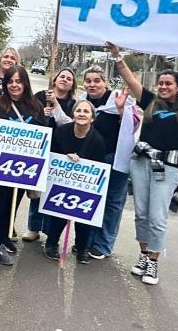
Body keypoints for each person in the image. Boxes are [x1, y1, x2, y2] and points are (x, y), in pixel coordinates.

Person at [110, 43, 178, 285]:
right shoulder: (150, 101)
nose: (163, 87)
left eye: (169, 84)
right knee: (141, 215)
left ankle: (153, 263)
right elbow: (130, 79)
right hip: (141, 162)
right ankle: (144, 255)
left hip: (167, 169)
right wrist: (116, 55)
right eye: (161, 83)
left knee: (157, 217)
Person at [0, 65, 46, 270]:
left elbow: (42, 133)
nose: (14, 85)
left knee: (10, 206)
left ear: (25, 83)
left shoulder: (36, 107)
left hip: (23, 168)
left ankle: (0, 243)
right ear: (5, 83)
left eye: (18, 81)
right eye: (10, 81)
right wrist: (1, 136)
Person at [43, 100, 105, 264]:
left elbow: (98, 167)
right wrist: (66, 157)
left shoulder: (98, 140)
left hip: (85, 183)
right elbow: (52, 154)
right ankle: (51, 243)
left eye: (86, 111)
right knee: (58, 211)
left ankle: (81, 247)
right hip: (62, 179)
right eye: (79, 110)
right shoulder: (62, 132)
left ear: (92, 118)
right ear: (73, 114)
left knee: (83, 215)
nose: (82, 114)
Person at [81, 65, 131, 260]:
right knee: (91, 199)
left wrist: (120, 110)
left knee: (112, 202)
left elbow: (132, 124)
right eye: (88, 81)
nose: (92, 84)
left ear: (105, 82)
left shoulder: (118, 99)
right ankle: (86, 241)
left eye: (97, 80)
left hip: (115, 158)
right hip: (91, 159)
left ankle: (103, 244)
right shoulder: (82, 102)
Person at [23, 68, 77, 243]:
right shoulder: (40, 96)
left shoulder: (72, 103)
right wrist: (40, 114)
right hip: (40, 149)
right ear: (54, 79)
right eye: (62, 76)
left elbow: (70, 124)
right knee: (37, 192)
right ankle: (34, 227)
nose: (65, 80)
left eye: (69, 79)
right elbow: (28, 117)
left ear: (72, 85)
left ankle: (50, 232)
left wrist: (56, 105)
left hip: (60, 151)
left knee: (54, 193)